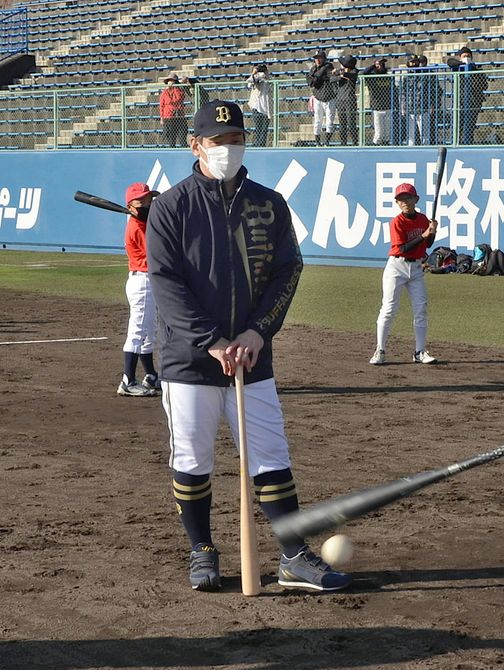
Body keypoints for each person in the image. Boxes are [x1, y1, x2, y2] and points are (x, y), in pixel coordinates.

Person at [145, 99, 352, 594]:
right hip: (189, 361)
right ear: (195, 145)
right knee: (193, 460)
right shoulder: (172, 207)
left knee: (270, 457)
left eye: (237, 139)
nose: (229, 148)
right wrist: (212, 340)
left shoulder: (269, 203)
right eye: (219, 141)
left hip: (253, 356)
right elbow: (166, 283)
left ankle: (293, 557)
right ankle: (202, 551)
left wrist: (259, 331)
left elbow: (288, 270)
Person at [369, 182, 438, 366]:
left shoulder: (423, 219)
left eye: (408, 197)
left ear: (416, 199)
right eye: (401, 199)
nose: (405, 201)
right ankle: (380, 350)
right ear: (397, 203)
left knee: (421, 309)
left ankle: (420, 351)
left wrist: (432, 231)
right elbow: (403, 247)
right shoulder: (397, 222)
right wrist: (424, 235)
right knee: (389, 308)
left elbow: (428, 244)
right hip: (396, 267)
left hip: (416, 269)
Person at [117, 182, 161, 397]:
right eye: (141, 201)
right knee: (137, 331)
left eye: (149, 199)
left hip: (149, 281)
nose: (147, 204)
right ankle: (128, 380)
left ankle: (151, 375)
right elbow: (158, 252)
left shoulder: (144, 223)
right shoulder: (137, 227)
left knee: (149, 331)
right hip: (142, 282)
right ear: (131, 206)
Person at [446, 46, 487, 144]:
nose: (467, 57)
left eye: (468, 56)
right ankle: (457, 144)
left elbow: (484, 85)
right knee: (458, 126)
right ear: (460, 57)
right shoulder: (458, 68)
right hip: (460, 102)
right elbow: (450, 62)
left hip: (473, 103)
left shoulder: (477, 70)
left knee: (469, 127)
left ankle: (468, 143)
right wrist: (463, 65)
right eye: (464, 56)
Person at [307, 51, 337, 146]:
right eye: (316, 58)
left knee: (329, 121)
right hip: (318, 98)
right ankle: (318, 142)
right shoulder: (313, 68)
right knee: (317, 121)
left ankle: (327, 142)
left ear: (324, 58)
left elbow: (320, 75)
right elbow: (309, 81)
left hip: (329, 98)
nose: (318, 60)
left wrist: (315, 77)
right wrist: (315, 78)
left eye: (320, 58)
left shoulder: (328, 66)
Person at [360, 57, 392, 145]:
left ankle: (386, 143)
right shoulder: (372, 77)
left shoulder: (387, 76)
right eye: (379, 64)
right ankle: (376, 143)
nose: (380, 66)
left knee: (387, 131)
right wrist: (374, 65)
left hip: (388, 106)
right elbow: (363, 73)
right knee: (379, 131)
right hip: (377, 107)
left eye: (382, 64)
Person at [333, 54, 359, 146]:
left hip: (350, 100)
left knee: (351, 123)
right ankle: (343, 143)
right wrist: (340, 76)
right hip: (340, 100)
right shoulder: (341, 71)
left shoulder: (354, 71)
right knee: (342, 123)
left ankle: (355, 142)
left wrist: (341, 74)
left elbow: (352, 76)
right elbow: (332, 78)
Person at [159, 71, 189, 147]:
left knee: (182, 136)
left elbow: (178, 98)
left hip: (179, 116)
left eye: (172, 81)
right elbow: (162, 106)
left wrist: (175, 87)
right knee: (171, 138)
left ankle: (183, 150)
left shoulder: (179, 90)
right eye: (169, 81)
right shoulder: (164, 93)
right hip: (168, 117)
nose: (170, 82)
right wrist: (162, 118)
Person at [246, 64, 272, 147]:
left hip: (266, 107)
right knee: (258, 127)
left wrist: (265, 74)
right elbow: (249, 82)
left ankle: (262, 144)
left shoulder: (267, 78)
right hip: (256, 106)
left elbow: (268, 80)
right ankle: (257, 143)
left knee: (264, 128)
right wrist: (253, 73)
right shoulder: (255, 77)